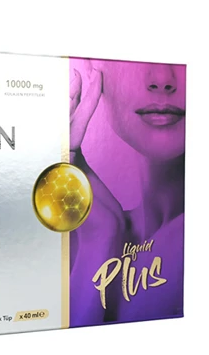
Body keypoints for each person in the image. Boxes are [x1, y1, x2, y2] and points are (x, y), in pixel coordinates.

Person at [69, 58, 186, 326]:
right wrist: (98, 238)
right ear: (90, 65)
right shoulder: (77, 232)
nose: (161, 79)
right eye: (136, 55)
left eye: (179, 58)